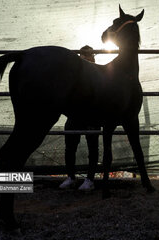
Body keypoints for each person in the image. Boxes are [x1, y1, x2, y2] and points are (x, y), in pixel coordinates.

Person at [59, 45, 100, 191]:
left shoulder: (98, 73)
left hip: (92, 115)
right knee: (70, 147)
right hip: (75, 115)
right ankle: (71, 177)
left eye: (89, 56)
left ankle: (89, 180)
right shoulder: (74, 74)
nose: (87, 59)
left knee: (92, 148)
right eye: (83, 56)